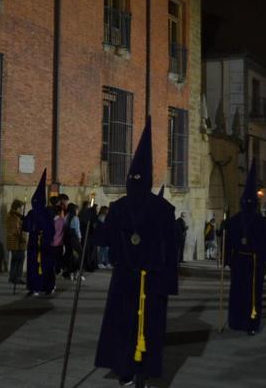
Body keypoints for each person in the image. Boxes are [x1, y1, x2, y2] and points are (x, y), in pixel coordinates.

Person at [94, 117, 178, 387]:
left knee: (126, 328)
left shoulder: (121, 208)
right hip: (145, 281)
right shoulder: (161, 210)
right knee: (138, 328)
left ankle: (128, 370)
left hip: (130, 281)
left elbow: (104, 240)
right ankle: (137, 372)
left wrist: (93, 229)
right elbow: (171, 251)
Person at [224, 159, 266, 335]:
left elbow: (265, 245)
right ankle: (237, 321)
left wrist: (264, 264)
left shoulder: (260, 222)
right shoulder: (235, 221)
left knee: (250, 294)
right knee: (239, 293)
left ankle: (249, 322)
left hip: (253, 264)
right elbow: (228, 241)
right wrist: (228, 258)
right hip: (242, 263)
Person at [24, 171, 56, 296]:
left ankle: (43, 287)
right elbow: (27, 227)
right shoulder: (38, 213)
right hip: (37, 245)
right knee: (36, 266)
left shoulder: (42, 213)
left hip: (42, 245)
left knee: (43, 266)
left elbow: (50, 229)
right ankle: (36, 287)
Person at [5, 199, 27, 286]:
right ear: (17, 208)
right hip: (17, 242)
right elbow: (16, 230)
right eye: (20, 208)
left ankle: (13, 277)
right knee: (19, 259)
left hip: (15, 241)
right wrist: (22, 238)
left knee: (15, 261)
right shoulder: (14, 216)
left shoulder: (13, 215)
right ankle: (17, 277)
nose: (21, 209)